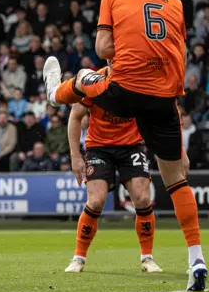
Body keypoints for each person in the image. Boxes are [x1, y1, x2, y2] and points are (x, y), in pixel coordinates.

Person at [43, 0, 206, 290]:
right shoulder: (174, 0)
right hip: (163, 97)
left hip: (126, 89)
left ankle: (53, 93)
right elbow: (178, 54)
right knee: (176, 182)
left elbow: (104, 49)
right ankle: (197, 260)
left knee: (86, 77)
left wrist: (130, 49)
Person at [64, 68, 161, 273]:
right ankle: (78, 257)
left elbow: (158, 116)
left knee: (142, 199)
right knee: (96, 201)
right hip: (99, 148)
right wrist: (75, 156)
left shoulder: (139, 79)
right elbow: (75, 117)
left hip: (132, 146)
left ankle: (147, 258)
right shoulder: (93, 80)